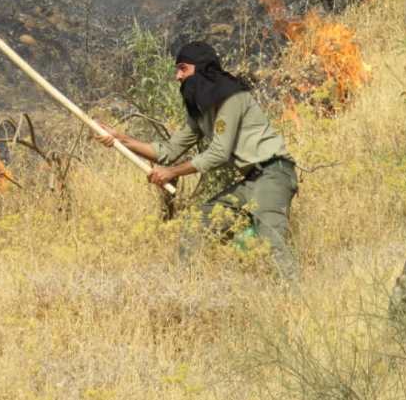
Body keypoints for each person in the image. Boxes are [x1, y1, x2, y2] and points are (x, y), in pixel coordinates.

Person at [96, 41, 299, 279]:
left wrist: (172, 173)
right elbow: (168, 151)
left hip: (274, 173)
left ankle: (294, 303)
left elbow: (218, 153)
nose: (177, 77)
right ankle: (188, 288)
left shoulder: (232, 97)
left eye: (183, 69)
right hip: (249, 181)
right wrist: (120, 139)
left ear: (201, 69)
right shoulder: (201, 111)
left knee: (271, 240)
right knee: (194, 225)